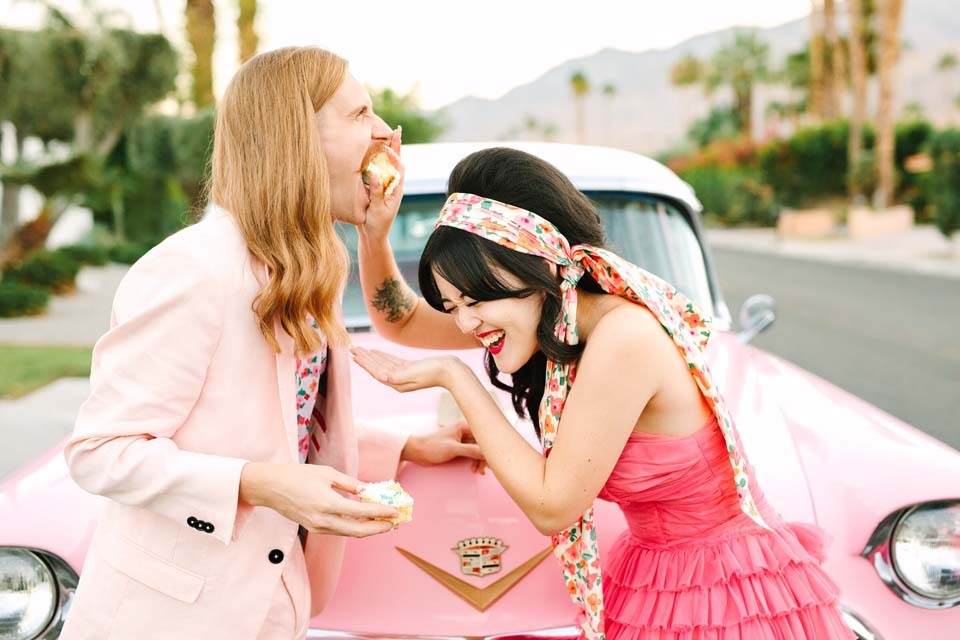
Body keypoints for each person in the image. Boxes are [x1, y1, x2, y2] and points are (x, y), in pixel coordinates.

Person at [60, 47, 481, 640]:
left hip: (274, 611)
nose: (388, 131)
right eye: (361, 113)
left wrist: (407, 445)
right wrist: (255, 485)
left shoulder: (316, 266)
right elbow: (99, 451)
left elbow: (278, 432)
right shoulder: (191, 270)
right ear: (297, 138)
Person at [352, 147, 853, 639]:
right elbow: (401, 319)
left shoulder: (623, 337)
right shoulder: (549, 315)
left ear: (542, 270)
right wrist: (373, 233)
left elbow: (553, 506)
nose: (464, 321)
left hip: (725, 591)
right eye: (453, 303)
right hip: (657, 575)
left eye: (476, 299)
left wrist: (456, 378)